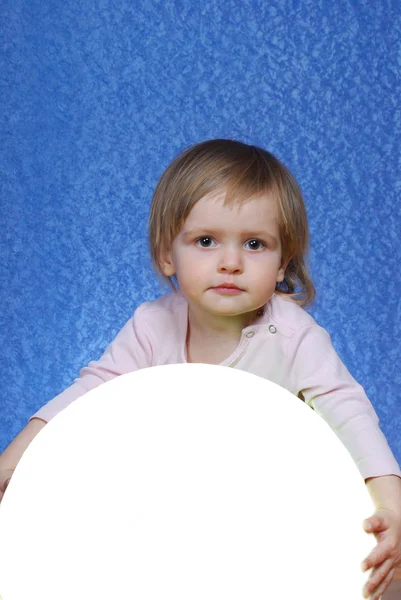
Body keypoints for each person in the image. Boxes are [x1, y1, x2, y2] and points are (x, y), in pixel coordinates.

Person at [1, 139, 400, 599]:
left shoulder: (292, 337)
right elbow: (91, 392)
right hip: (174, 519)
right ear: (167, 254)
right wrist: (13, 460)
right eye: (205, 241)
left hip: (269, 521)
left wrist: (390, 503)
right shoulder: (152, 327)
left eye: (254, 244)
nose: (230, 262)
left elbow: (347, 410)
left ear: (281, 264)